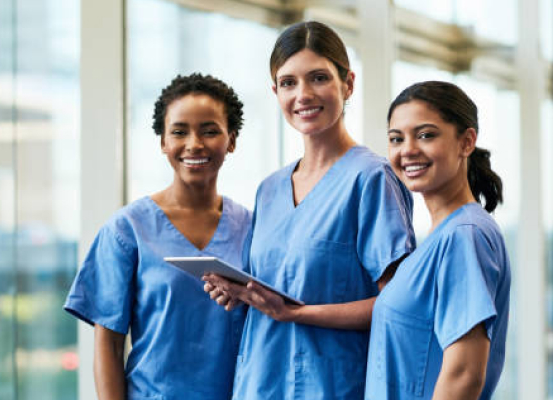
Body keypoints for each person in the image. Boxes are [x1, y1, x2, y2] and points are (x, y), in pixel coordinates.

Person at [203, 21, 415, 399]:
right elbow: (274, 290)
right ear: (275, 91)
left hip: (334, 387)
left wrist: (298, 314)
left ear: (347, 83)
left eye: (318, 78)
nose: (302, 94)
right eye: (288, 82)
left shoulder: (370, 180)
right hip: (260, 384)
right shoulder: (269, 190)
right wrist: (238, 293)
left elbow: (400, 307)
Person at [64, 73, 252, 400]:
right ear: (163, 141)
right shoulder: (127, 230)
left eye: (210, 131)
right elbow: (108, 343)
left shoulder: (251, 228)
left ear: (231, 140)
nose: (194, 143)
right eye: (179, 132)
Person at [365, 81, 511, 400]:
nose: (408, 150)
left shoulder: (464, 235)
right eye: (396, 138)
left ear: (466, 142)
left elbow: (464, 374)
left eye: (426, 135)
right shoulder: (438, 240)